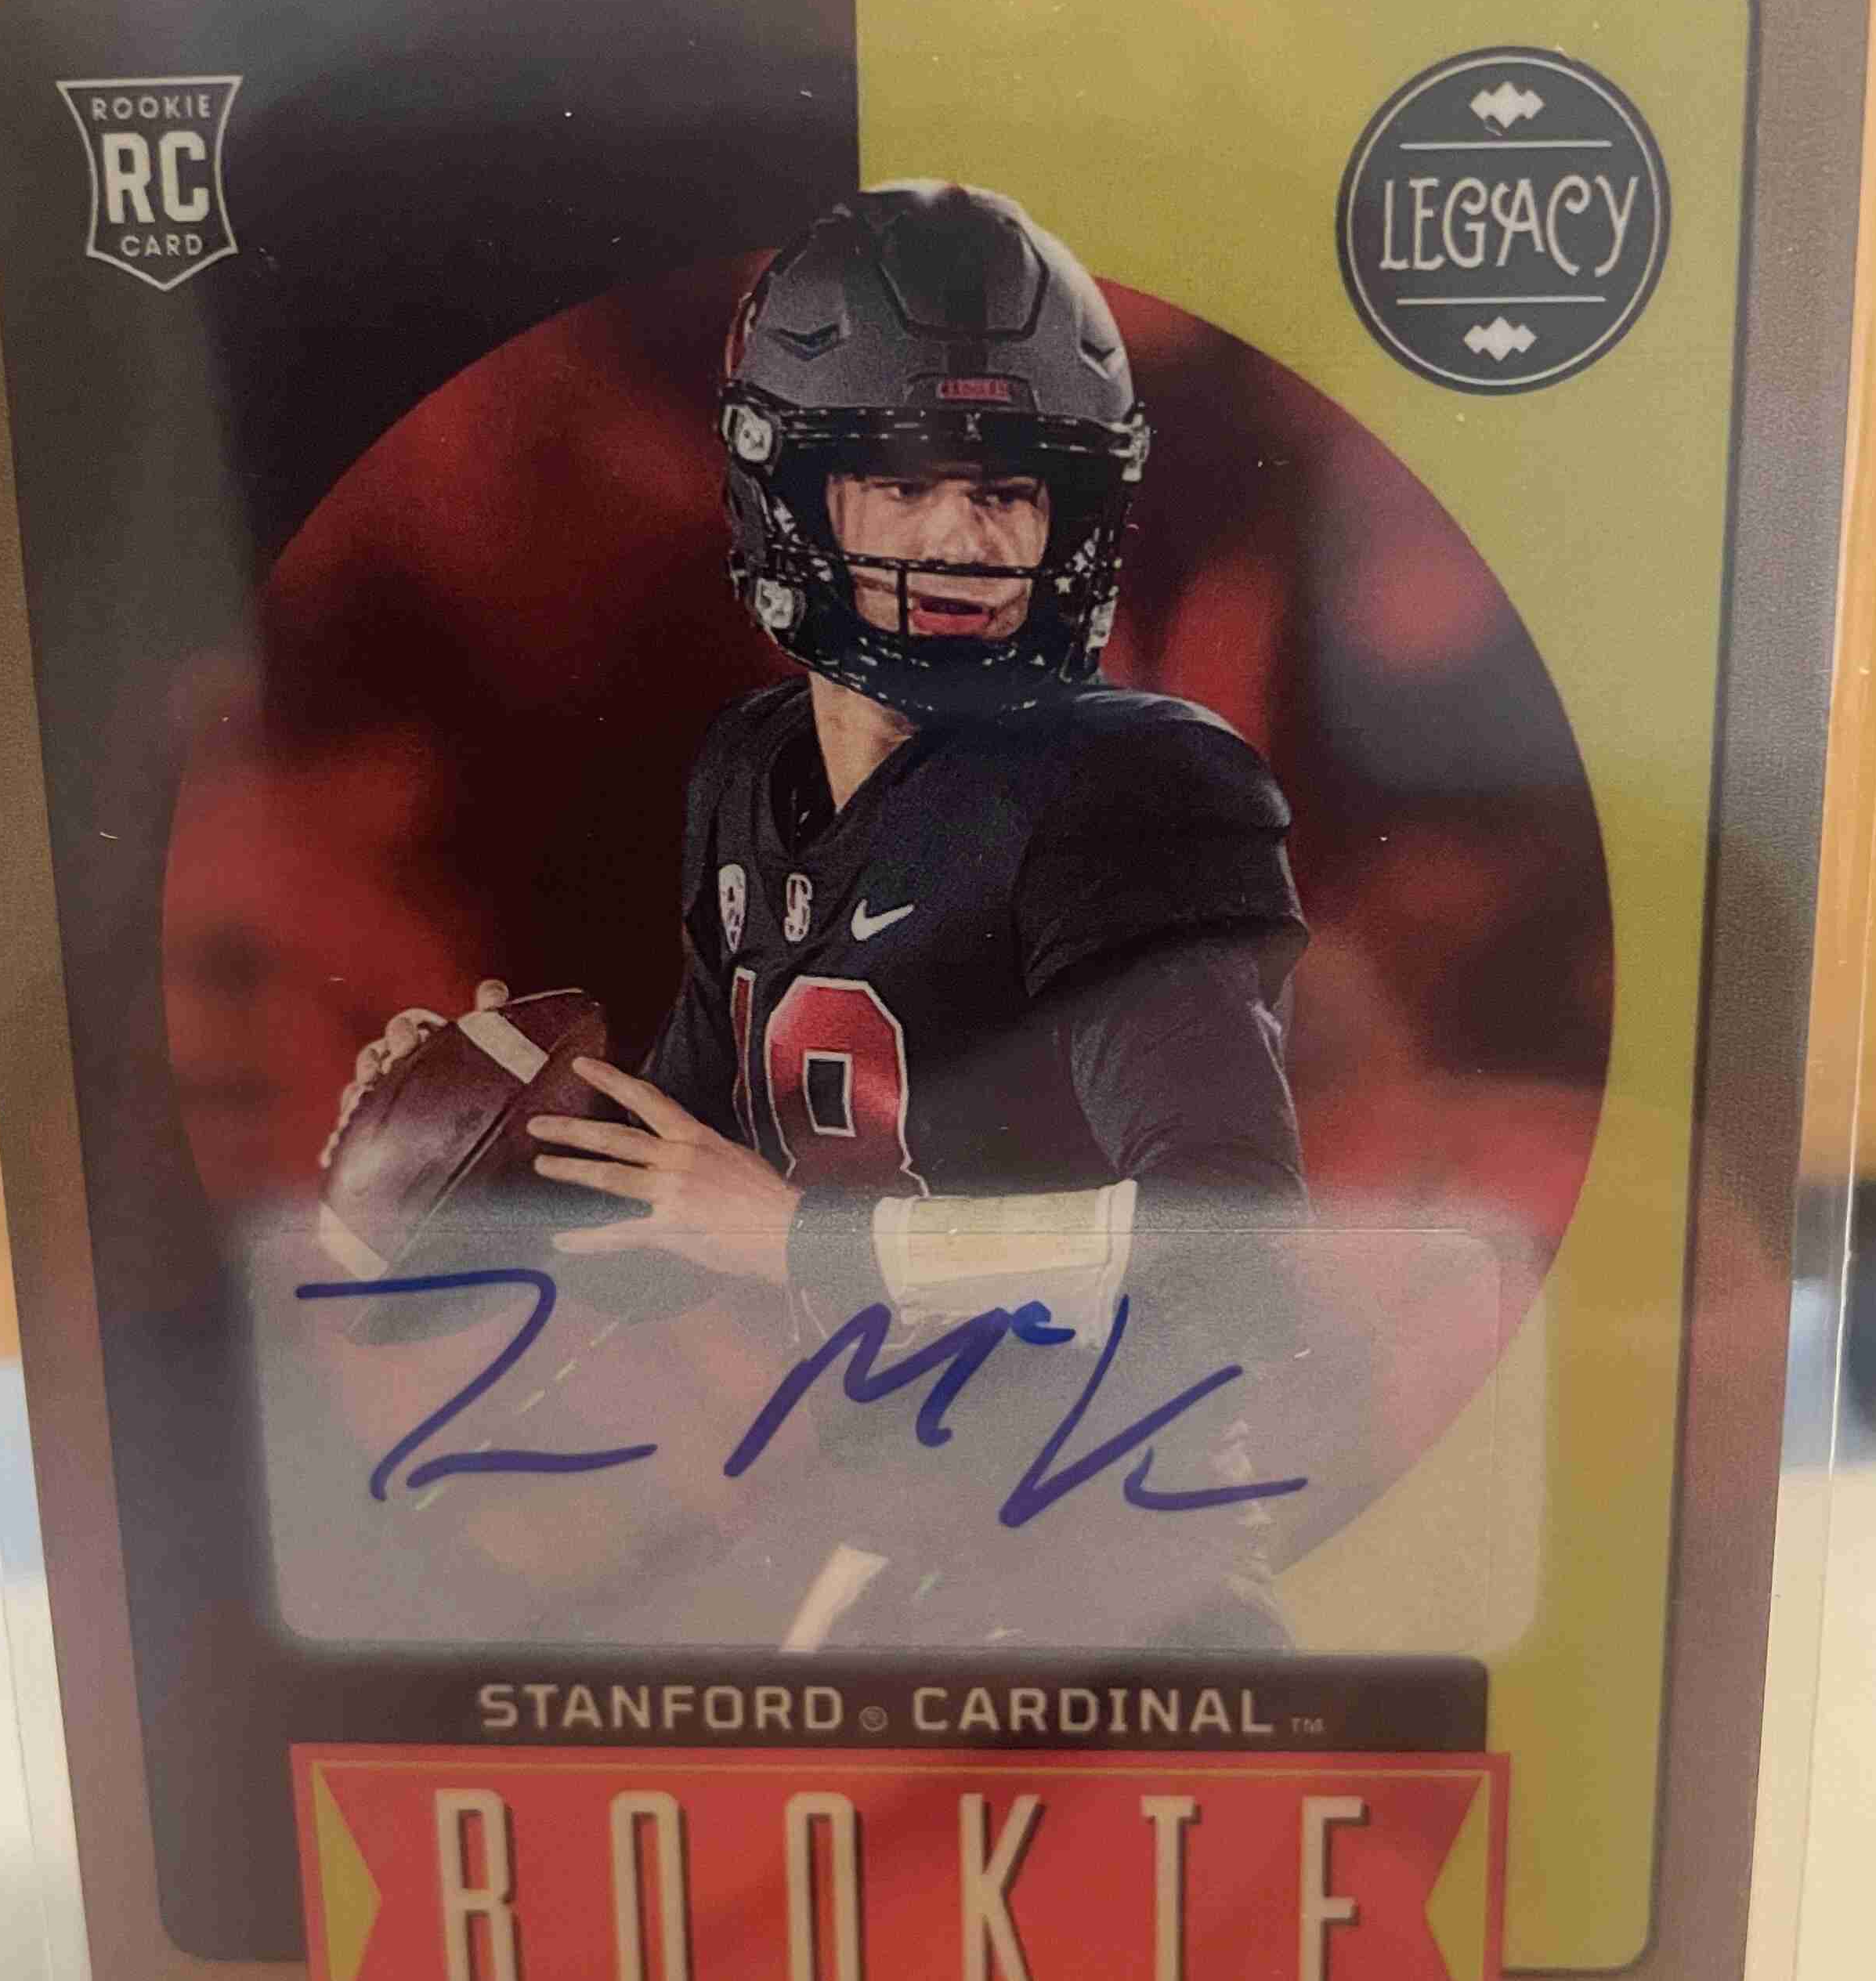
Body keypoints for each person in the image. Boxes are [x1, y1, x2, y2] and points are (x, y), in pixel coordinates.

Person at [349, 183, 1314, 1647]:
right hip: (908, 1540)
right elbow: (690, 1200)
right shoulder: (752, 773)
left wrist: (816, 1246)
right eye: (905, 484)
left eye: (1011, 491)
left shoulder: (1129, 788)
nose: (967, 539)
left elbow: (1230, 1235)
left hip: (1118, 1555)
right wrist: (478, 1140)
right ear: (786, 498)